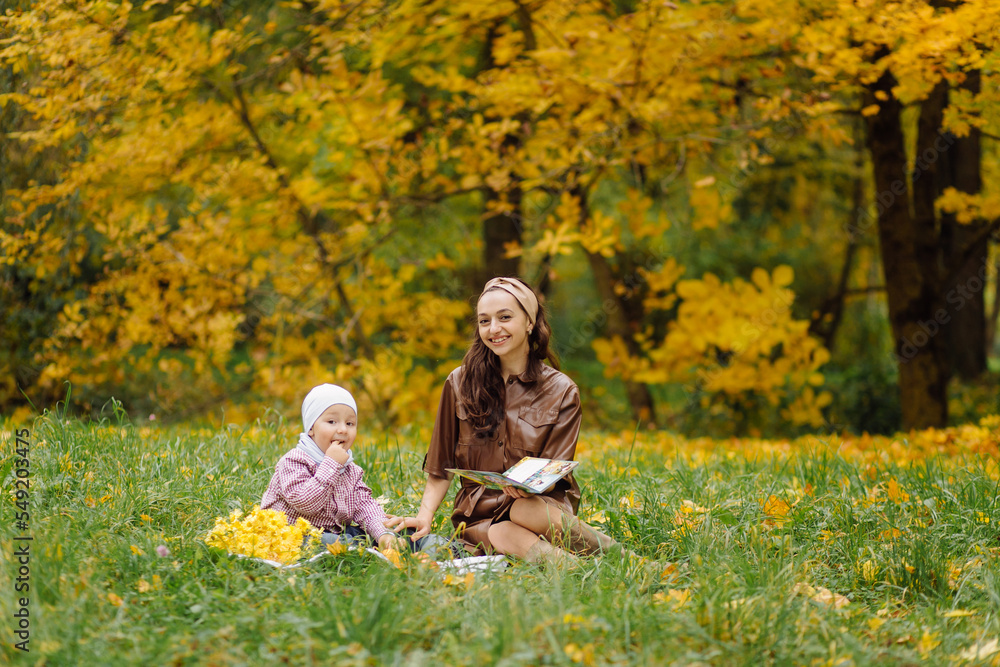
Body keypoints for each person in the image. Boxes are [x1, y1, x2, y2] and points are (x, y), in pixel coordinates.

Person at [386, 277, 622, 563]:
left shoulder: (562, 390)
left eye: (505, 317)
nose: (493, 329)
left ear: (530, 322)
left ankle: (622, 558)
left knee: (522, 509)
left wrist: (527, 486)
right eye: (484, 321)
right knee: (501, 531)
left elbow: (555, 471)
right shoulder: (459, 383)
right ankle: (578, 570)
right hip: (481, 519)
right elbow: (440, 465)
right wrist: (424, 516)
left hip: (540, 511)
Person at [261, 383, 448, 554]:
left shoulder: (350, 470)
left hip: (335, 532)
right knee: (325, 541)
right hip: (291, 534)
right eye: (332, 422)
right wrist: (331, 464)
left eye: (350, 423)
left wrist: (383, 533)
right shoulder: (294, 461)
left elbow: (365, 506)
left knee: (379, 533)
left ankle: (419, 545)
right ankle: (359, 549)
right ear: (311, 428)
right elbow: (306, 503)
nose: (343, 429)